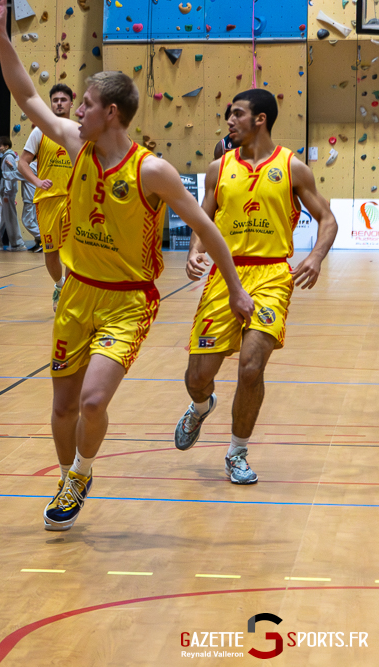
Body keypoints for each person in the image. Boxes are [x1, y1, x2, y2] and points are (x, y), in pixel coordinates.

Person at [0, 0, 254, 531]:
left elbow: (208, 227)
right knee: (62, 407)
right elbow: (26, 93)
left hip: (128, 301)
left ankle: (84, 468)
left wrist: (237, 289)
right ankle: (70, 477)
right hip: (77, 292)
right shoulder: (71, 143)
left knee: (91, 399)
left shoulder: (152, 171)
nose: (75, 112)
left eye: (85, 104)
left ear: (111, 112)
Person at [174, 89, 338, 484]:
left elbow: (327, 219)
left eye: (237, 115)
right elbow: (203, 219)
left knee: (251, 367)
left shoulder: (293, 167)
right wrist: (196, 251)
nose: (230, 121)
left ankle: (237, 452)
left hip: (271, 277)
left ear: (260, 119)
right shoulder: (218, 168)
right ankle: (200, 406)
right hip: (225, 277)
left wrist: (315, 257)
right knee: (197, 377)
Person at [18, 84, 76, 310]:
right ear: (50, 103)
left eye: (63, 99)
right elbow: (23, 163)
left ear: (72, 102)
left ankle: (70, 293)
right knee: (51, 254)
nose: (59, 103)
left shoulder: (82, 131)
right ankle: (60, 285)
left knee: (73, 252)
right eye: (55, 100)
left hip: (74, 201)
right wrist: (37, 181)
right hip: (48, 200)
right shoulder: (39, 131)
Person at [0, 136, 27, 252]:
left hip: (7, 193)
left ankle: (17, 243)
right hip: (6, 192)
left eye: (0, 145)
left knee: (10, 217)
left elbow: (9, 177)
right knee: (2, 217)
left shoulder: (8, 157)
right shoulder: (7, 157)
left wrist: (6, 193)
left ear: (6, 146)